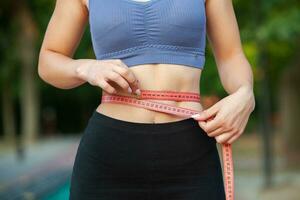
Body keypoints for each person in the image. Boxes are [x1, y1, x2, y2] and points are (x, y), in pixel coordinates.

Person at [38, 0, 255, 199]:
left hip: (190, 150)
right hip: (109, 154)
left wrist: (245, 92)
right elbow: (48, 60)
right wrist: (86, 67)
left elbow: (231, 56)